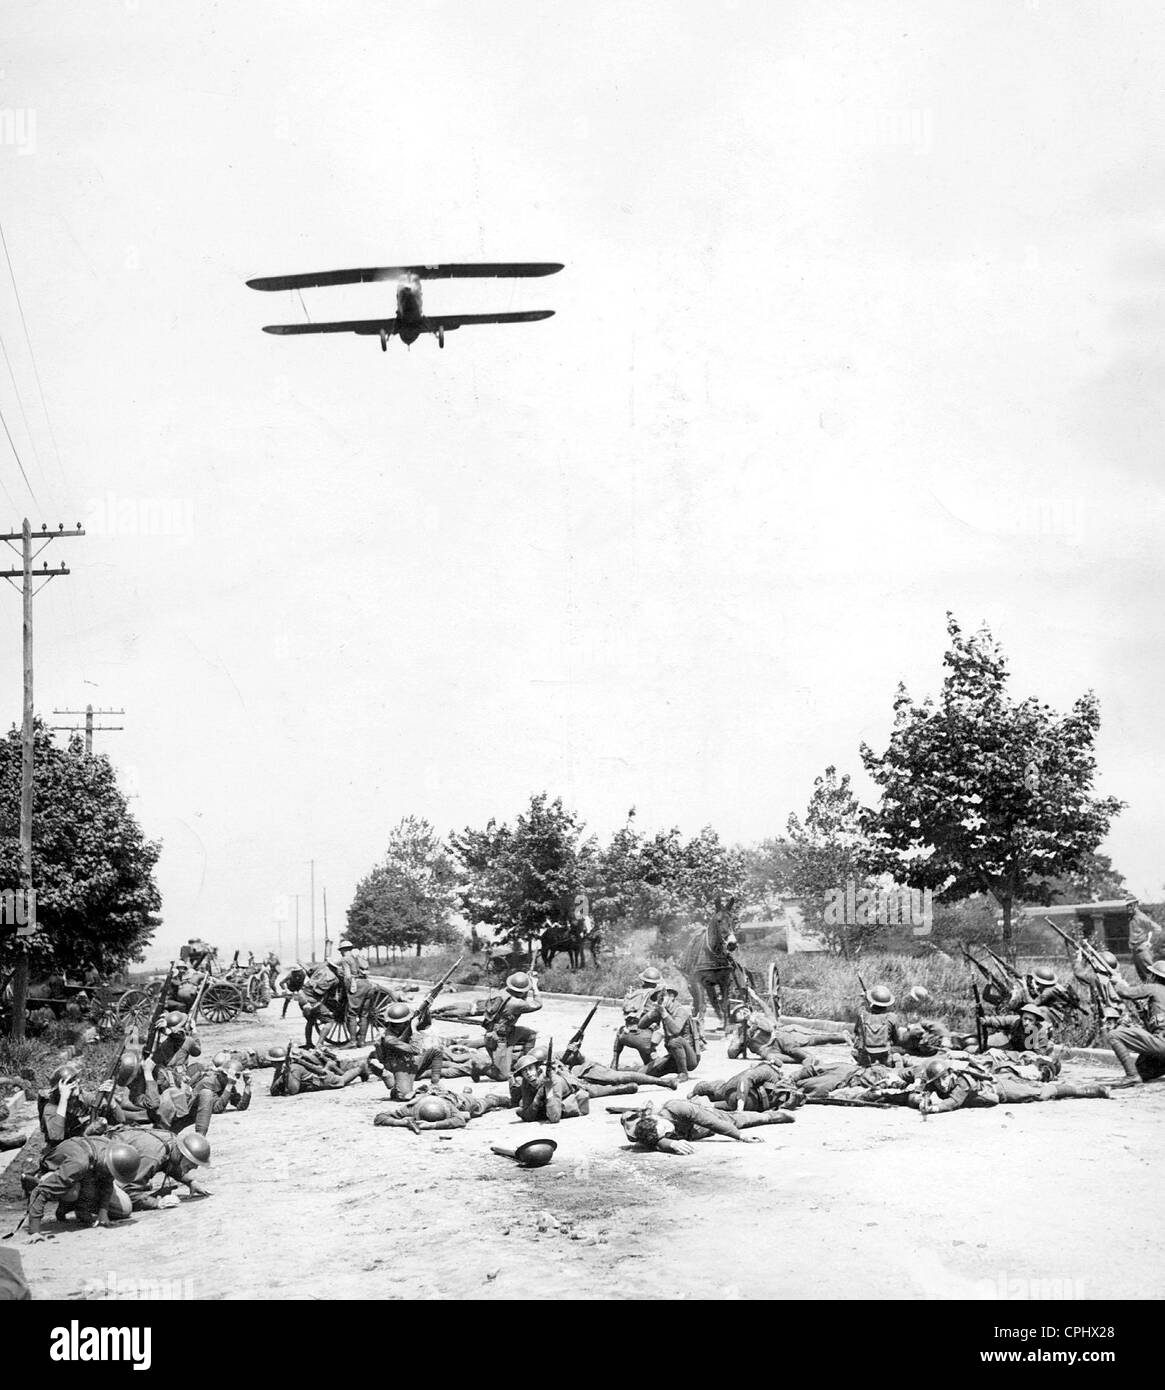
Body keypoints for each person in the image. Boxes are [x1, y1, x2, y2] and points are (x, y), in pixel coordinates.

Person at [24, 1136, 140, 1240]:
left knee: (124, 1209)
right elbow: (41, 1192)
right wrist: (34, 1230)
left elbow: (107, 1182)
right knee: (72, 1194)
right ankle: (37, 1180)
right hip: (63, 1170)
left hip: (86, 1174)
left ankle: (76, 1205)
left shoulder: (113, 1154)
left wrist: (103, 1212)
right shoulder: (79, 1164)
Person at [908, 1057, 1109, 1114]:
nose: (941, 1084)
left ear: (950, 1074)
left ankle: (1089, 1090)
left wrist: (933, 1108)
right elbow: (924, 1080)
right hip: (997, 1080)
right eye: (938, 1081)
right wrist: (919, 1092)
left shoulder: (962, 1082)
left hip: (1003, 1089)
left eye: (943, 1078)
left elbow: (952, 1103)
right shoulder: (939, 1082)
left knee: (1042, 1093)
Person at [619, 1096, 787, 1155]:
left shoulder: (676, 1108)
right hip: (696, 1129)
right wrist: (669, 1143)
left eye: (664, 1128)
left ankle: (772, 1115)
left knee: (744, 1119)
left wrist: (741, 1136)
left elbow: (713, 1123)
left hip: (710, 1119)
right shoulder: (640, 1131)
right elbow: (653, 1141)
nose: (668, 1131)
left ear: (653, 1117)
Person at [107, 1126, 212, 1209]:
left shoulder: (172, 1142)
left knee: (143, 1184)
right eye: (192, 1163)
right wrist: (157, 1203)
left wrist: (190, 1182)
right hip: (102, 1172)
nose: (195, 1167)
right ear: (182, 1154)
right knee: (125, 1208)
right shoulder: (153, 1157)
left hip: (116, 1159)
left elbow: (170, 1163)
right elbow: (129, 1190)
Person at [1104, 960, 1165, 1085]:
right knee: (1141, 1070)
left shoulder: (1154, 988)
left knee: (1114, 1035)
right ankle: (1138, 1073)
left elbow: (1125, 992)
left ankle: (1131, 1076)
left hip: (1162, 1044)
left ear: (1154, 976)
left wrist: (1118, 982)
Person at [368, 1003, 445, 1100]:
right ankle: (393, 1083)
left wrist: (426, 1011)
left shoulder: (405, 1026)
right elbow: (415, 1049)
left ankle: (435, 1085)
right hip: (398, 1068)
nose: (406, 1022)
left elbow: (426, 1024)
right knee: (404, 1096)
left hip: (411, 1062)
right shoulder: (389, 1038)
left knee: (436, 1050)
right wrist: (413, 1028)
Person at [727, 1005, 847, 1065]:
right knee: (773, 1060)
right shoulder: (739, 1032)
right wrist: (739, 1039)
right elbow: (732, 1054)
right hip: (768, 1051)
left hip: (779, 1039)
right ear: (735, 1019)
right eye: (738, 1013)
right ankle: (804, 1059)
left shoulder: (758, 1017)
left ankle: (842, 1037)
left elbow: (769, 1028)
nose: (742, 1013)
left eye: (743, 1010)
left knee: (813, 1040)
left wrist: (753, 1020)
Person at [481, 972, 542, 1080]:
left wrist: (525, 981)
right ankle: (479, 1067)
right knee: (503, 1076)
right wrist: (534, 986)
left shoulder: (501, 993)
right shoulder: (516, 1003)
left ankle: (524, 1063)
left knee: (530, 1034)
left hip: (506, 1031)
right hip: (498, 1039)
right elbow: (538, 1004)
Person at [373, 1086, 512, 1131]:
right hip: (438, 1096)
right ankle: (467, 1091)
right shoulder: (412, 1107)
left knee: (480, 1105)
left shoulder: (448, 1106)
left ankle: (495, 1099)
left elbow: (459, 1121)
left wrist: (433, 1125)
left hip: (460, 1101)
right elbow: (380, 1117)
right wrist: (400, 1122)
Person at [690, 1062, 803, 1115]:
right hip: (735, 1086)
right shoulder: (767, 1072)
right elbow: (746, 1079)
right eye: (784, 1097)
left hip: (744, 1097)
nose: (781, 1102)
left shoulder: (779, 1098)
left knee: (740, 1103)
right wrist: (740, 1104)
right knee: (717, 1090)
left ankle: (707, 1104)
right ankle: (698, 1090)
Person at [511, 1049, 591, 1123]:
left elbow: (554, 1118)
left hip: (569, 1100)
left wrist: (547, 1088)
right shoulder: (526, 1082)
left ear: (537, 1069)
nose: (528, 1073)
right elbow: (529, 1117)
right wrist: (538, 1096)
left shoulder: (553, 1081)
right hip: (549, 1100)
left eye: (530, 1068)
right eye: (524, 1071)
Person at [611, 967, 665, 1068]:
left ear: (643, 980)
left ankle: (614, 1062)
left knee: (619, 1032)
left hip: (626, 1035)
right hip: (645, 1039)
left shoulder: (634, 994)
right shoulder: (655, 995)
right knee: (650, 1064)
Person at [269, 1048, 368, 1095]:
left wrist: (284, 1075)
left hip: (323, 1080)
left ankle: (360, 1069)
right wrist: (278, 1074)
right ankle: (329, 1066)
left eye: (275, 1062)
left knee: (341, 1080)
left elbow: (293, 1090)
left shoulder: (293, 1069)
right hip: (315, 1078)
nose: (273, 1064)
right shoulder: (282, 1070)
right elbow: (273, 1090)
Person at [853, 984, 908, 1066]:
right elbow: (897, 1039)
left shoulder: (862, 1015)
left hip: (865, 1058)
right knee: (899, 1055)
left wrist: (865, 1000)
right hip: (884, 1058)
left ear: (872, 1001)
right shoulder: (892, 1017)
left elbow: (856, 1032)